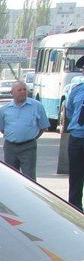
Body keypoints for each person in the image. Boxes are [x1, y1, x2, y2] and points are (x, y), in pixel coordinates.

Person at [0, 81, 48, 181]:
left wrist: (31, 137)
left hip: (28, 147)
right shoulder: (4, 109)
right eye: (19, 90)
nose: (22, 92)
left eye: (24, 89)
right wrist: (14, 137)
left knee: (29, 177)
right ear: (12, 93)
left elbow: (43, 126)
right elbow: (2, 128)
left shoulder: (37, 106)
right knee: (10, 176)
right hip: (10, 147)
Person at [65, 56, 84, 210]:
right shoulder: (77, 90)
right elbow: (70, 112)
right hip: (78, 138)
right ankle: (75, 208)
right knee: (76, 176)